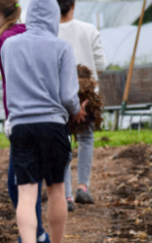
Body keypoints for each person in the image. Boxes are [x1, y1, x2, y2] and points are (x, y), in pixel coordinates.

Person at [1, 0, 88, 243]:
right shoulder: (60, 47)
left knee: (27, 194)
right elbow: (67, 97)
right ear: (52, 17)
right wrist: (77, 111)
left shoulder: (9, 47)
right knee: (56, 189)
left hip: (21, 127)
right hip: (52, 126)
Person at [0, 0, 57, 243]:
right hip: (41, 115)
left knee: (20, 184)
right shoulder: (24, 31)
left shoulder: (7, 39)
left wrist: (11, 117)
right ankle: (39, 237)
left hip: (23, 119)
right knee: (27, 183)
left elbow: (13, 82)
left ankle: (35, 241)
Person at [57, 0, 107, 211]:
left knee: (63, 143)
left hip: (59, 98)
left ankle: (66, 196)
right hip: (88, 98)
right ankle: (83, 188)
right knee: (86, 139)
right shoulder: (89, 30)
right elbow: (102, 65)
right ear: (73, 5)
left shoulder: (49, 34)